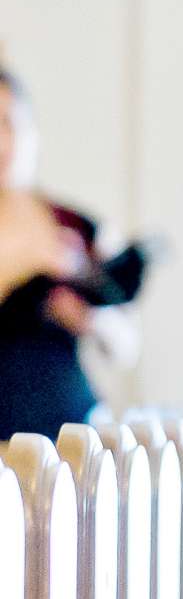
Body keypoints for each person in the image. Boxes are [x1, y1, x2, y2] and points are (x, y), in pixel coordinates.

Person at [0, 63, 140, 439]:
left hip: (64, 426)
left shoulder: (76, 227)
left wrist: (86, 318)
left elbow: (126, 343)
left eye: (10, 125)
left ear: (33, 135)